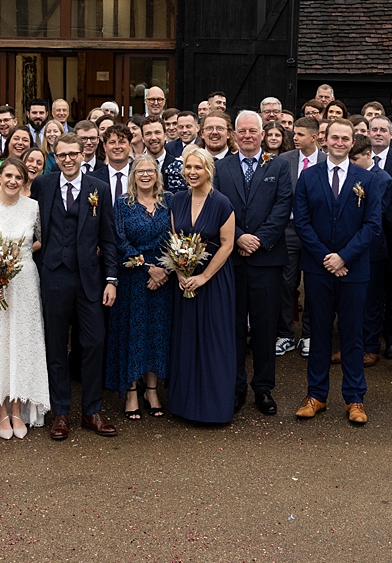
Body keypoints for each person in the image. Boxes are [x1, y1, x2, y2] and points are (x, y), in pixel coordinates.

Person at [292, 119, 386, 424]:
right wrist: (326, 258)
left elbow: (373, 226)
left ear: (352, 142)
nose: (340, 142)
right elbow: (302, 223)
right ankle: (316, 395)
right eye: (335, 137)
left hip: (354, 269)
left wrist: (344, 257)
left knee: (353, 334)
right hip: (319, 269)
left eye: (346, 138)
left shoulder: (366, 180)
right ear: (324, 140)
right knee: (318, 333)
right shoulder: (308, 177)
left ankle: (355, 398)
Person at [29, 133, 118, 440]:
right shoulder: (43, 184)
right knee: (55, 346)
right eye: (62, 154)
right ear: (55, 156)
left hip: (89, 278)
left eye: (73, 154)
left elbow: (108, 238)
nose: (67, 159)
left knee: (94, 342)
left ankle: (92, 410)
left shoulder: (99, 189)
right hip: (54, 275)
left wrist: (111, 279)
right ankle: (61, 412)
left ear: (83, 155)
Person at [215, 112, 294, 418]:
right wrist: (237, 238)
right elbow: (216, 207)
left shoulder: (279, 166)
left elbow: (282, 206)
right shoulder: (221, 168)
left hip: (267, 258)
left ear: (263, 135)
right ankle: (236, 387)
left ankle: (263, 387)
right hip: (231, 259)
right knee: (233, 326)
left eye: (253, 131)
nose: (247, 135)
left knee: (264, 326)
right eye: (242, 131)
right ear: (234, 135)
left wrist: (258, 240)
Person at [0, 158, 50, 438]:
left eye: (19, 176)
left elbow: (42, 239)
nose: (13, 181)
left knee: (22, 342)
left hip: (25, 281)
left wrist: (19, 253)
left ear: (25, 180)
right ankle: (1, 410)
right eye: (8, 175)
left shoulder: (34, 208)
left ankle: (18, 407)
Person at [163, 146, 238, 424]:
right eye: (188, 168)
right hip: (184, 280)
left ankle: (214, 409)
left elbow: (228, 244)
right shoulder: (177, 200)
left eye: (198, 168)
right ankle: (185, 405)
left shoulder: (221, 202)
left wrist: (203, 277)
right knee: (187, 340)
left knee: (213, 340)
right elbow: (174, 239)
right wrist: (180, 272)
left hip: (214, 280)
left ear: (209, 171)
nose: (192, 173)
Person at [106, 154, 173, 420]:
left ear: (157, 174)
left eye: (150, 170)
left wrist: (166, 268)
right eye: (139, 171)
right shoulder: (123, 203)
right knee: (133, 333)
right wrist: (148, 268)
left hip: (164, 279)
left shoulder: (169, 201)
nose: (145, 175)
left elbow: (178, 235)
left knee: (157, 334)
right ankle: (132, 391)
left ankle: (152, 390)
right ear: (133, 175)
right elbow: (119, 240)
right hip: (134, 277)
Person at [362, 116, 392, 364]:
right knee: (369, 292)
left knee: (391, 292)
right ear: (368, 134)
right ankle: (367, 339)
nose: (378, 133)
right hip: (366, 240)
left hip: (391, 237)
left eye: (383, 130)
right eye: (374, 130)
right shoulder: (359, 161)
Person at [276, 115, 324, 357]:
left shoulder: (326, 161)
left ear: (314, 137)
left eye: (300, 134)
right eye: (294, 133)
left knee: (314, 285)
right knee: (286, 283)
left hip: (318, 233)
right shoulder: (284, 160)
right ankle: (285, 334)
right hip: (290, 231)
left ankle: (308, 335)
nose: (294, 137)